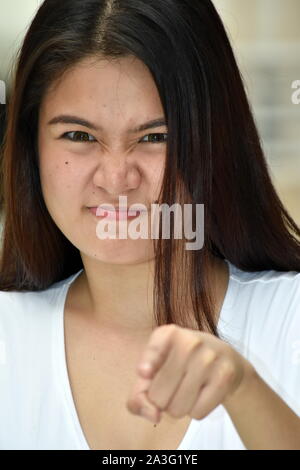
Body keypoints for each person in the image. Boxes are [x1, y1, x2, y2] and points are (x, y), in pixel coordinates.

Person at [0, 0, 299, 451]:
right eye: (79, 136)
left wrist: (243, 391)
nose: (117, 178)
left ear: (215, 141)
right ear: (30, 149)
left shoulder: (289, 319)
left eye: (156, 137)